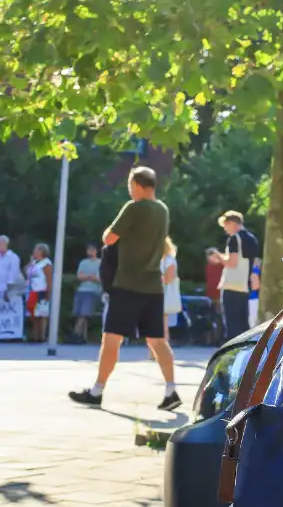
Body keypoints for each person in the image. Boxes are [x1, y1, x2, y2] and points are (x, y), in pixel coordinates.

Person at [69, 167, 180, 411]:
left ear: (138, 185)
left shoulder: (134, 207)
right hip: (153, 286)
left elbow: (109, 238)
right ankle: (171, 389)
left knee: (111, 339)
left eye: (131, 185)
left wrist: (113, 231)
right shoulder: (163, 210)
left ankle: (97, 391)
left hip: (128, 284)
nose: (129, 190)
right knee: (158, 341)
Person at [217, 210, 261, 340]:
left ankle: (232, 355)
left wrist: (218, 257)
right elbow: (255, 262)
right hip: (245, 286)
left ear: (231, 223)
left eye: (225, 225)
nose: (225, 229)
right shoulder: (252, 239)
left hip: (232, 286)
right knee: (243, 324)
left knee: (232, 324)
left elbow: (232, 262)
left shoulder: (234, 239)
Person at [71, 244, 104, 343]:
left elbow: (100, 278)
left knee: (84, 314)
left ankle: (76, 334)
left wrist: (88, 277)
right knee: (79, 313)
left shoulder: (100, 263)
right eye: (88, 250)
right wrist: (90, 277)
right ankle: (81, 336)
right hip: (81, 290)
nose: (90, 252)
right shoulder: (83, 262)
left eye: (92, 250)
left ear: (96, 251)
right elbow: (79, 276)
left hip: (93, 291)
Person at [26, 243, 53, 343]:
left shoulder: (46, 263)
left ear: (42, 251)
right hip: (33, 290)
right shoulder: (34, 263)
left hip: (42, 290)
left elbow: (49, 279)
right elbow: (26, 272)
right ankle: (34, 335)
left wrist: (48, 293)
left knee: (41, 315)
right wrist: (31, 262)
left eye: (36, 250)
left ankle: (41, 336)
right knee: (34, 315)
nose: (34, 251)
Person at [0, 235, 25, 303]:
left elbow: (13, 276)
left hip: (10, 293)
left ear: (6, 244)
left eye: (1, 244)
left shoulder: (13, 257)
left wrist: (7, 291)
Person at [161, 237, 182, 345]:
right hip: (157, 294)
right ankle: (153, 352)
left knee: (162, 324)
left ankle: (163, 348)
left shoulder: (169, 260)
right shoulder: (160, 260)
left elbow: (169, 279)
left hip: (164, 294)